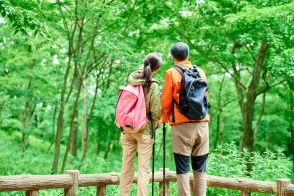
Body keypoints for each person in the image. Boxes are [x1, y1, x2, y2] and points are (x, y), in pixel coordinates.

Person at [161, 42, 209, 196]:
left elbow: (166, 101)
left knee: (182, 169)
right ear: (188, 55)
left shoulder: (171, 73)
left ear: (173, 57)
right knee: (200, 168)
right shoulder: (200, 71)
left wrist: (163, 119)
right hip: (202, 125)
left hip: (182, 126)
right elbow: (205, 97)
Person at [119, 52, 162, 196]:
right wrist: (155, 126)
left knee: (126, 166)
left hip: (127, 129)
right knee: (144, 170)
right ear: (157, 69)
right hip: (144, 130)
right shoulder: (153, 85)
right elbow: (156, 112)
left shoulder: (131, 79)